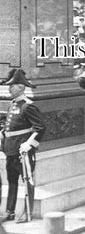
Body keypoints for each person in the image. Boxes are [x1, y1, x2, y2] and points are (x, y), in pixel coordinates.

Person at [1, 68, 45, 222]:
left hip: (23, 152)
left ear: (20, 87)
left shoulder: (28, 106)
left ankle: (27, 212)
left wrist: (29, 144)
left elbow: (40, 128)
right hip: (11, 150)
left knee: (27, 181)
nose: (9, 88)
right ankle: (9, 211)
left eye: (12, 86)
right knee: (12, 181)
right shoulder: (13, 104)